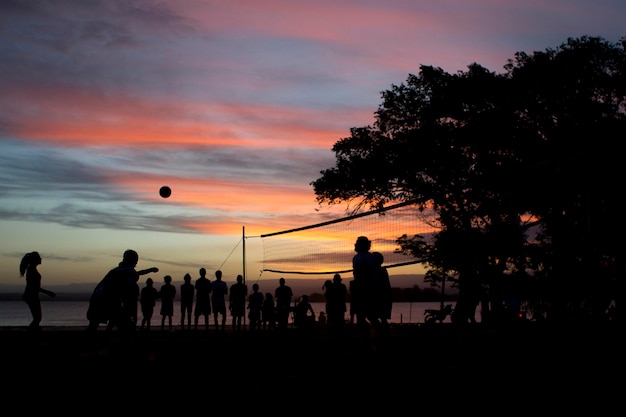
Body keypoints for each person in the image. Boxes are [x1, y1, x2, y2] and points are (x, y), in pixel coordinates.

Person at [86, 249, 158, 333]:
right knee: (122, 325)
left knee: (95, 325)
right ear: (134, 260)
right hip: (109, 299)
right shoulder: (129, 273)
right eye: (136, 260)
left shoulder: (116, 270)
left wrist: (149, 270)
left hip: (97, 298)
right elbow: (125, 286)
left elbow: (132, 275)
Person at [351, 236, 381, 338]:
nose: (354, 245)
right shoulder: (365, 257)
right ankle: (372, 338)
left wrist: (360, 285)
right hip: (367, 290)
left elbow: (362, 273)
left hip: (365, 290)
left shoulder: (361, 257)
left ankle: (375, 338)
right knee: (367, 316)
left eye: (356, 243)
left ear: (360, 245)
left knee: (365, 316)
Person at [19, 251, 56, 330]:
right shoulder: (31, 271)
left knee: (37, 317)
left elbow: (35, 287)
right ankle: (32, 331)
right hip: (30, 296)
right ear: (34, 260)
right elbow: (34, 287)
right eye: (39, 258)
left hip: (31, 295)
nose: (41, 259)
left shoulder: (32, 270)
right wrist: (48, 293)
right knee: (37, 317)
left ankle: (34, 330)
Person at [372, 251, 392, 336]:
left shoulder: (379, 271)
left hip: (381, 298)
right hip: (383, 298)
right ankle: (384, 334)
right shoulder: (382, 271)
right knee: (379, 318)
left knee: (375, 317)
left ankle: (384, 334)